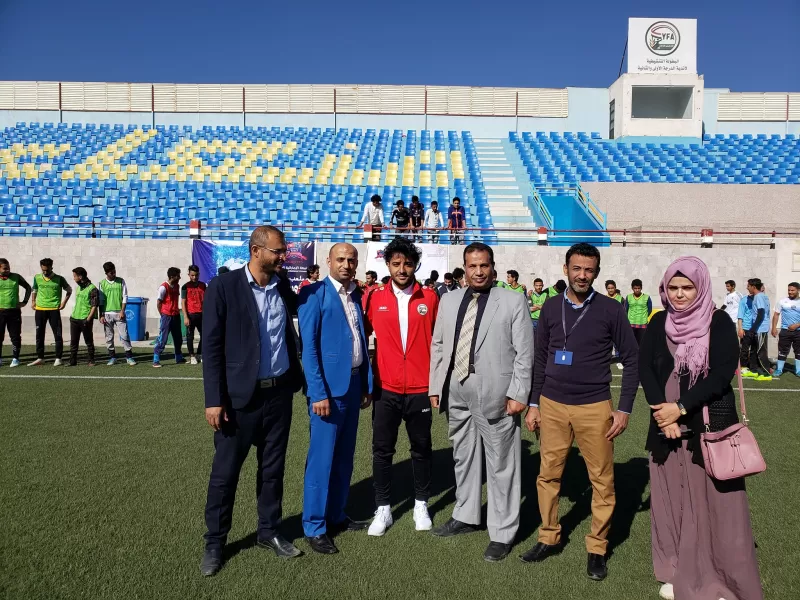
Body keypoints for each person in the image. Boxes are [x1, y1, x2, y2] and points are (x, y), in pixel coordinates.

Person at [640, 256, 763, 600]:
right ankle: (675, 569)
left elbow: (722, 373)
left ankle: (721, 578)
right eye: (673, 288)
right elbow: (645, 368)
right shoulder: (658, 321)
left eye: (687, 288)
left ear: (701, 287)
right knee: (671, 501)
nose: (679, 294)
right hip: (664, 427)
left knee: (716, 505)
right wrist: (662, 415)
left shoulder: (719, 321)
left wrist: (679, 409)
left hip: (708, 428)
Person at [522, 243, 638, 581]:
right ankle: (548, 536)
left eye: (589, 269)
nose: (582, 275)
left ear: (597, 272)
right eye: (577, 268)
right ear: (566, 269)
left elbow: (631, 360)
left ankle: (597, 547)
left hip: (594, 407)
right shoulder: (550, 307)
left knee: (602, 480)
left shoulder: (611, 309)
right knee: (548, 475)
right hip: (552, 405)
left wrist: (624, 408)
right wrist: (533, 404)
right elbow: (540, 358)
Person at [200, 225, 305, 577]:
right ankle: (215, 542)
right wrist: (214, 399)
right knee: (225, 473)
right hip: (238, 399)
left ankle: (269, 531)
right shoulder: (224, 287)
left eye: (284, 251)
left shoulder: (281, 286)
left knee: (273, 470)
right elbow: (211, 347)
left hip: (278, 395)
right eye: (277, 251)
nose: (283, 257)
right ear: (256, 250)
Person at [429, 242, 534, 562]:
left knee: (502, 465)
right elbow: (439, 344)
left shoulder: (514, 301)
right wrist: (436, 385)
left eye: (484, 265)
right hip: (456, 389)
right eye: (472, 266)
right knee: (463, 456)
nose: (478, 271)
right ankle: (466, 514)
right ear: (464, 268)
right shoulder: (448, 299)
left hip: (496, 393)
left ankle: (502, 532)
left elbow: (525, 354)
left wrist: (518, 394)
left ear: (493, 268)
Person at [298, 243, 373, 555]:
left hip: (353, 387)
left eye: (351, 260)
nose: (346, 264)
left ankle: (336, 515)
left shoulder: (355, 294)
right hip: (327, 393)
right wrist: (317, 392)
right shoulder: (313, 294)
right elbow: (309, 349)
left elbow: (359, 340)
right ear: (327, 261)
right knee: (321, 461)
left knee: (344, 457)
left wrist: (366, 383)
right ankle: (314, 526)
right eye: (340, 259)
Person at [364, 237, 439, 537]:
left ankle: (421, 503)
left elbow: (440, 341)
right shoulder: (373, 297)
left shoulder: (430, 298)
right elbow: (359, 335)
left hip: (420, 387)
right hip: (386, 387)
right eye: (396, 264)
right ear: (388, 265)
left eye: (407, 263)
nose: (402, 269)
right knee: (382, 450)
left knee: (421, 448)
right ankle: (383, 507)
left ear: (415, 265)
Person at [29, 257, 72, 367]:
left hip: (54, 310)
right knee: (39, 335)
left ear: (51, 267)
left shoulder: (59, 278)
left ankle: (58, 358)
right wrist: (33, 301)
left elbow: (69, 290)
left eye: (47, 270)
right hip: (40, 310)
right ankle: (40, 357)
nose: (45, 272)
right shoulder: (37, 278)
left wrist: (64, 303)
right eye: (43, 270)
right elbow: (34, 289)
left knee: (57, 335)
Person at [99, 262, 135, 366]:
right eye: (111, 272)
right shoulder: (102, 283)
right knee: (109, 337)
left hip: (119, 313)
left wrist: (122, 310)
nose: (114, 273)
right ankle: (112, 357)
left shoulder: (121, 281)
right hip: (107, 313)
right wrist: (101, 315)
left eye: (114, 271)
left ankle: (129, 357)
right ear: (106, 273)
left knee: (124, 335)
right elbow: (101, 300)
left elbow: (125, 296)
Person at [0, 258, 31, 368]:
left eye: (8, 267)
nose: (7, 270)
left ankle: (15, 358)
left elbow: (28, 288)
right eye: (5, 268)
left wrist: (24, 302)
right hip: (0, 312)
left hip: (14, 312)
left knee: (15, 336)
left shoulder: (16, 277)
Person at [153, 267, 184, 368]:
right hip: (166, 316)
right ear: (172, 277)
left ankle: (178, 357)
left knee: (178, 338)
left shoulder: (177, 286)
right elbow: (159, 302)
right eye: (178, 276)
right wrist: (162, 314)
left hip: (176, 315)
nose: (179, 277)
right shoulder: (163, 287)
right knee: (163, 338)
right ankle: (156, 359)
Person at [68, 267, 99, 367]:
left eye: (75, 276)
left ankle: (91, 360)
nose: (74, 278)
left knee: (88, 341)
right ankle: (72, 361)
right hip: (74, 318)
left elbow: (94, 305)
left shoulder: (92, 288)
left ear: (80, 277)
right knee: (73, 342)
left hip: (85, 319)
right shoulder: (78, 288)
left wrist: (88, 319)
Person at [771, 282, 800, 378]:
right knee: (782, 351)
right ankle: (779, 370)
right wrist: (774, 328)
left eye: (792, 290)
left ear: (798, 290)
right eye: (789, 290)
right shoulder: (782, 301)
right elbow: (776, 314)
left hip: (798, 331)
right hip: (785, 331)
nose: (790, 292)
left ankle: (798, 371)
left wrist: (797, 325)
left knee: (798, 351)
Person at [746, 278, 772, 381]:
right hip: (758, 328)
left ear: (753, 287)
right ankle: (754, 370)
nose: (747, 288)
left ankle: (766, 374)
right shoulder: (761, 296)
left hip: (761, 328)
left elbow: (761, 314)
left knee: (761, 351)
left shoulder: (759, 297)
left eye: (748, 286)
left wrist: (753, 329)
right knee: (754, 350)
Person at [182, 265, 207, 365]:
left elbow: (206, 300)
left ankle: (199, 354)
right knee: (190, 336)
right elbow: (183, 302)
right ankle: (191, 355)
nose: (194, 277)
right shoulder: (185, 287)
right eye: (192, 275)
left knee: (204, 335)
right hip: (191, 315)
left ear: (199, 275)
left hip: (202, 315)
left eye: (196, 275)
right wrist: (185, 316)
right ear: (189, 275)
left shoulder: (203, 285)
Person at [625, 278, 652, 346]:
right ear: (632, 288)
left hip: (642, 324)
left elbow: (650, 309)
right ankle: (633, 356)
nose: (637, 290)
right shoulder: (628, 297)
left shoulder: (647, 297)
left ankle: (641, 356)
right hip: (631, 324)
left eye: (638, 288)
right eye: (635, 288)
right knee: (632, 343)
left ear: (641, 288)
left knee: (642, 343)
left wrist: (644, 317)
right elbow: (626, 309)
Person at [737, 286, 755, 375]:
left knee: (755, 349)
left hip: (757, 329)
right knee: (745, 349)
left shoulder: (760, 299)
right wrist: (740, 328)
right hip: (746, 328)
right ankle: (743, 367)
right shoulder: (744, 300)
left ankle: (753, 366)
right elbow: (740, 315)